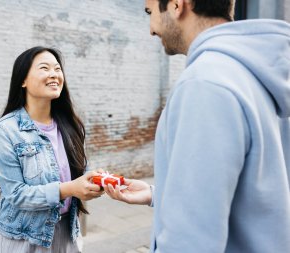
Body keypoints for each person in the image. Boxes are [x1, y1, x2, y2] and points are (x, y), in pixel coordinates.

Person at [104, 0, 290, 252]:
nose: (151, 29)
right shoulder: (258, 75)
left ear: (177, 5)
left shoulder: (205, 84)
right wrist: (156, 195)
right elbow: (254, 198)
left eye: (150, 13)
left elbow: (190, 241)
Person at [0, 46, 103, 253]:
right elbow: (16, 194)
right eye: (44, 68)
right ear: (22, 80)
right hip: (25, 239)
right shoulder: (5, 130)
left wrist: (93, 181)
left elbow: (80, 169)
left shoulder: (70, 124)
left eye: (57, 69)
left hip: (68, 233)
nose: (54, 74)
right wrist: (71, 188)